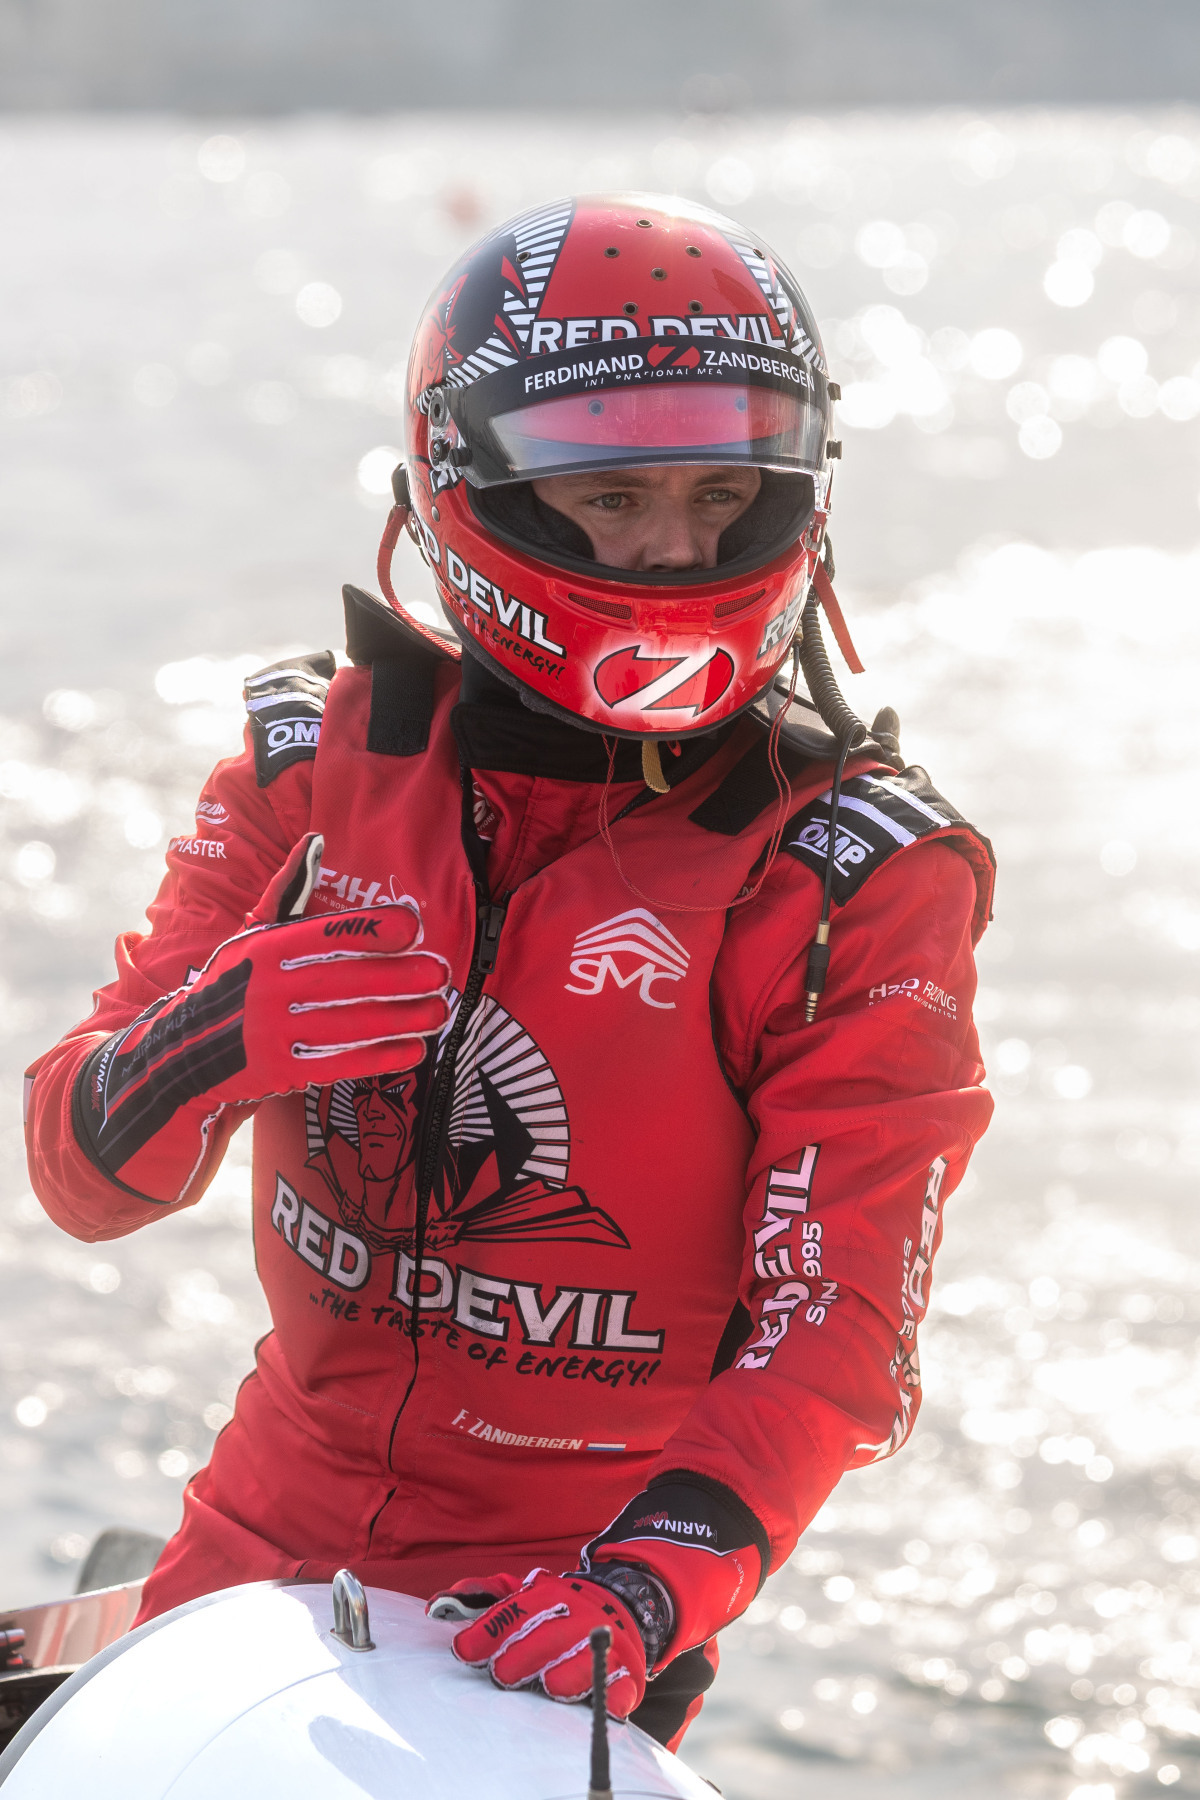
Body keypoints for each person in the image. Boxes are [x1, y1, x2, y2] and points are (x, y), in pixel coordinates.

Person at [23, 194, 995, 1751]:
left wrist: (652, 1585)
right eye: (610, 496)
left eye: (724, 493)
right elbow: (79, 1179)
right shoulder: (310, 769)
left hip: (568, 1619)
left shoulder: (852, 876)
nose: (675, 548)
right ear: (469, 487)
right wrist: (209, 1040)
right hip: (248, 1554)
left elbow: (837, 1323)